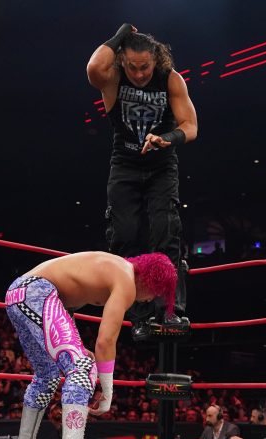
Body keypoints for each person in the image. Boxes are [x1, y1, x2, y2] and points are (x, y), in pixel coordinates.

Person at [5, 251, 177, 439]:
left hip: (18, 294)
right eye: (157, 292)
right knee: (82, 368)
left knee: (48, 375)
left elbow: (63, 306)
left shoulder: (112, 270)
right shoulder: (126, 279)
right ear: (151, 280)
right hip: (37, 292)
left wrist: (75, 345)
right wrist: (107, 392)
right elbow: (105, 341)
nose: (151, 299)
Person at [86, 24, 198, 340]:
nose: (138, 74)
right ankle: (140, 317)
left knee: (165, 229)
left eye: (145, 66)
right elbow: (93, 67)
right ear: (122, 61)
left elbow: (191, 126)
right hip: (125, 165)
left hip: (162, 166)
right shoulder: (113, 78)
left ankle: (170, 311)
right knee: (124, 234)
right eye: (132, 66)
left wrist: (167, 138)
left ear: (156, 60)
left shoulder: (171, 79)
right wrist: (121, 34)